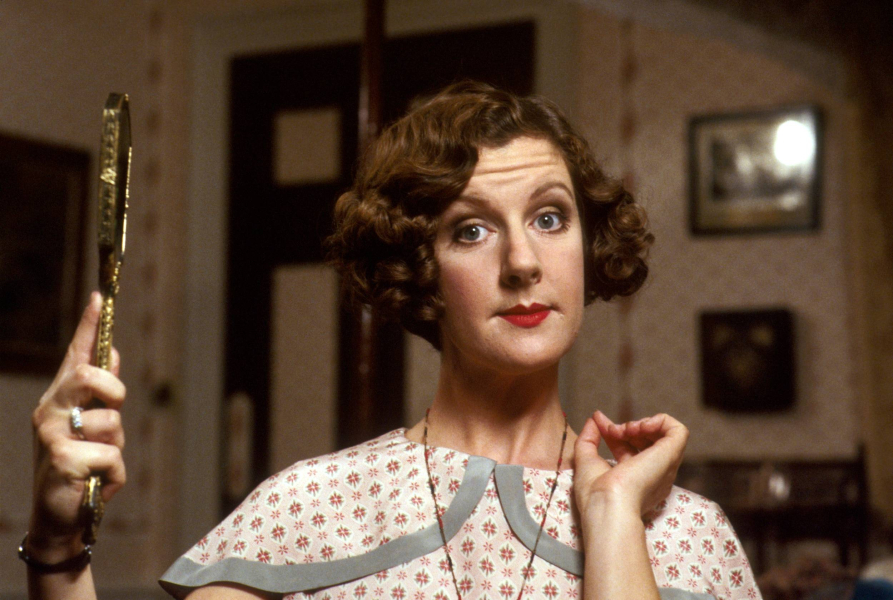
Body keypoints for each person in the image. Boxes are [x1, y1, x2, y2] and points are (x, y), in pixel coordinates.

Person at [24, 81, 761, 599]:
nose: (523, 262)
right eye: (470, 230)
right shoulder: (311, 509)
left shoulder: (686, 536)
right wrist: (57, 549)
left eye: (549, 218)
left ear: (587, 243)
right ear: (419, 268)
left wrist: (612, 516)